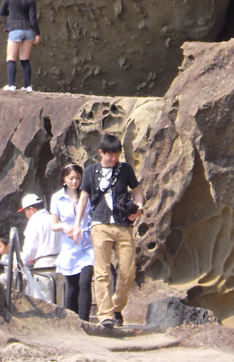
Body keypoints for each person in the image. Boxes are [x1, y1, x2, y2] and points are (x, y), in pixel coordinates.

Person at [74, 134, 143, 329]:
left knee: (128, 272)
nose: (113, 159)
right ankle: (105, 315)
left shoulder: (125, 169)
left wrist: (139, 210)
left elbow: (137, 192)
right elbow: (84, 198)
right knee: (101, 271)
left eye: (117, 155)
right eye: (110, 155)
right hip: (100, 224)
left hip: (123, 225)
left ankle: (116, 307)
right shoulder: (89, 172)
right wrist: (78, 224)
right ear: (101, 153)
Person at [51, 163, 94, 321]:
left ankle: (84, 320)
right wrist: (64, 226)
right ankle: (72, 321)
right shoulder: (57, 198)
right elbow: (54, 225)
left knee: (85, 282)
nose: (75, 181)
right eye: (71, 178)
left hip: (87, 244)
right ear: (64, 179)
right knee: (72, 287)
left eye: (77, 178)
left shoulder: (86, 195)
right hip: (69, 247)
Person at [0, 0, 42, 91]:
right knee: (25, 59)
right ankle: (27, 86)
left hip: (15, 29)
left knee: (11, 58)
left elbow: (2, 12)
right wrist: (37, 34)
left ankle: (11, 85)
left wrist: (12, 12)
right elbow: (33, 19)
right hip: (28, 30)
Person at [19, 193, 61, 269]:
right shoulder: (54, 219)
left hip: (44, 265)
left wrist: (20, 262)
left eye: (25, 211)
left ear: (32, 209)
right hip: (60, 263)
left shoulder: (34, 221)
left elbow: (30, 247)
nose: (26, 215)